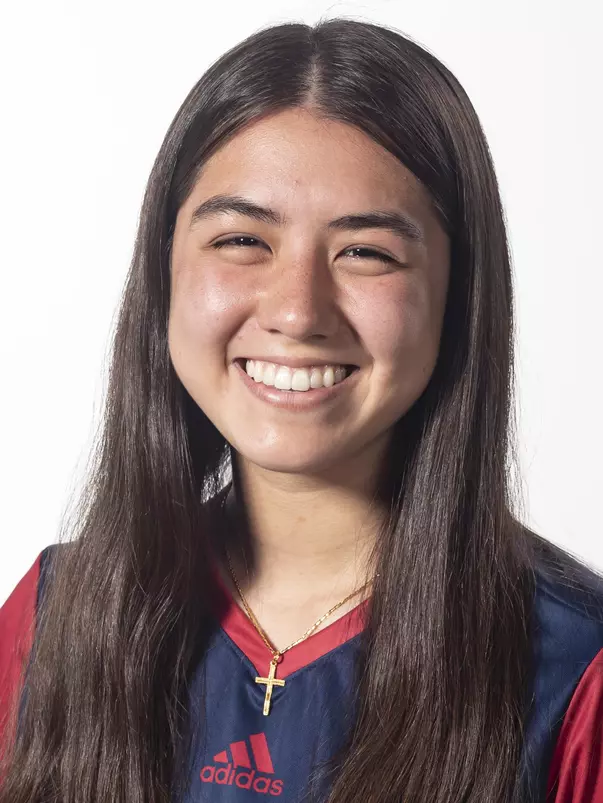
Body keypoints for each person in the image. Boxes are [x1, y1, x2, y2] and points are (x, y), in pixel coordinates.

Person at [1, 16, 602, 803]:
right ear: (164, 273)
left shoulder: (573, 667)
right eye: (242, 240)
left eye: (365, 252)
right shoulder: (54, 616)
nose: (296, 310)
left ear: (458, 300)